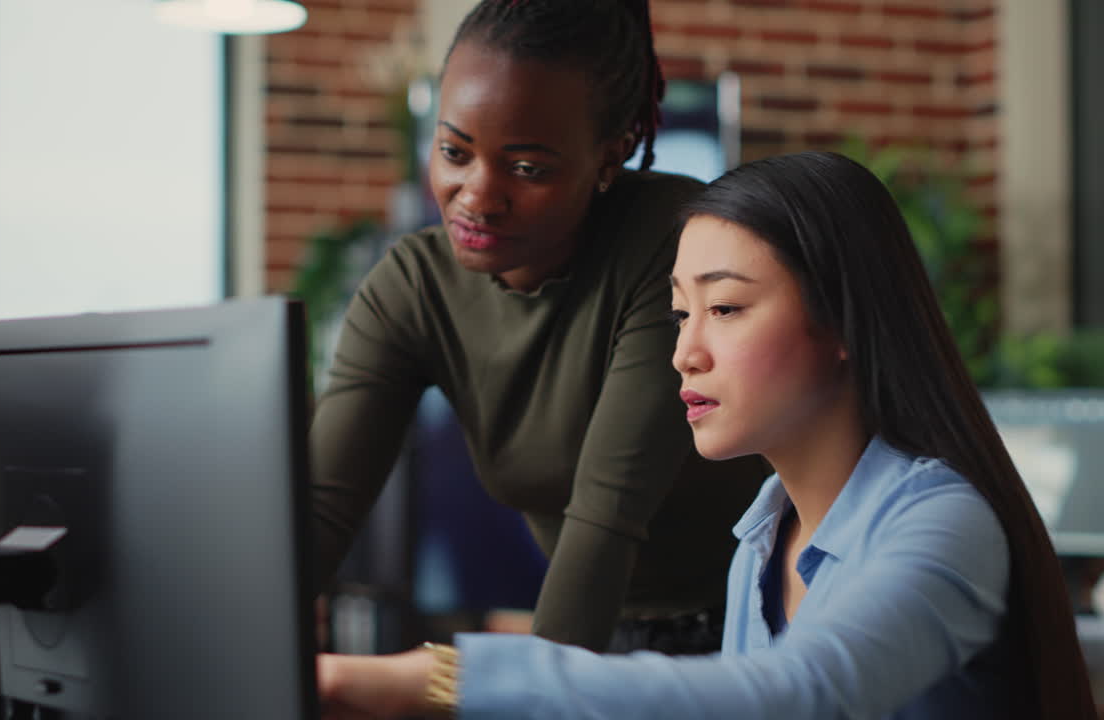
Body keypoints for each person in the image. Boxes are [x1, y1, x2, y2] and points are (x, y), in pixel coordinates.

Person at [312, 152, 1098, 720]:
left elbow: (800, 695)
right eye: (680, 313)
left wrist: (441, 681)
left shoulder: (939, 522)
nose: (684, 351)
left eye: (724, 309)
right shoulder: (761, 539)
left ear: (843, 324)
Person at [309, 0, 768, 654]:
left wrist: (533, 695)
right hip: (605, 639)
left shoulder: (673, 247)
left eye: (527, 168)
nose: (477, 194)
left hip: (753, 632)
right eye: (454, 151)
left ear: (613, 156)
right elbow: (320, 514)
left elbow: (606, 517)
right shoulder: (414, 288)